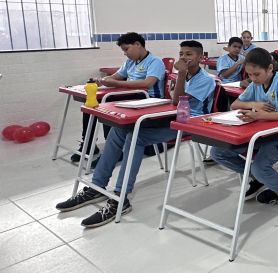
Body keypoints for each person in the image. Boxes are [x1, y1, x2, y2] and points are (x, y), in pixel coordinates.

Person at [55, 40, 215, 227]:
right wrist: (180, 76)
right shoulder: (184, 75)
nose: (184, 57)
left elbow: (178, 103)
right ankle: (96, 186)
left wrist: (179, 74)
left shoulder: (205, 79)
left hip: (189, 124)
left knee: (136, 137)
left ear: (201, 57)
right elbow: (172, 103)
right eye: (181, 53)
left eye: (189, 54)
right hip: (171, 118)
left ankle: (120, 197)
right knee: (119, 129)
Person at [210, 48, 278, 205]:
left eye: (256, 74)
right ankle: (258, 178)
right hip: (260, 133)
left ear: (270, 68)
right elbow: (235, 105)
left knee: (259, 167)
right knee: (218, 152)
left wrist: (258, 115)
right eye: (249, 75)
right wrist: (255, 104)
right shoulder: (256, 84)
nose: (253, 78)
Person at [71, 32, 167, 163]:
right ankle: (88, 144)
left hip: (149, 98)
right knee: (91, 102)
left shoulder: (155, 61)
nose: (125, 53)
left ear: (138, 44)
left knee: (108, 103)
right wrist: (102, 81)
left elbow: (147, 83)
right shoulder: (130, 62)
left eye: (126, 49)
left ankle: (114, 150)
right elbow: (115, 77)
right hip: (132, 96)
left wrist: (115, 83)